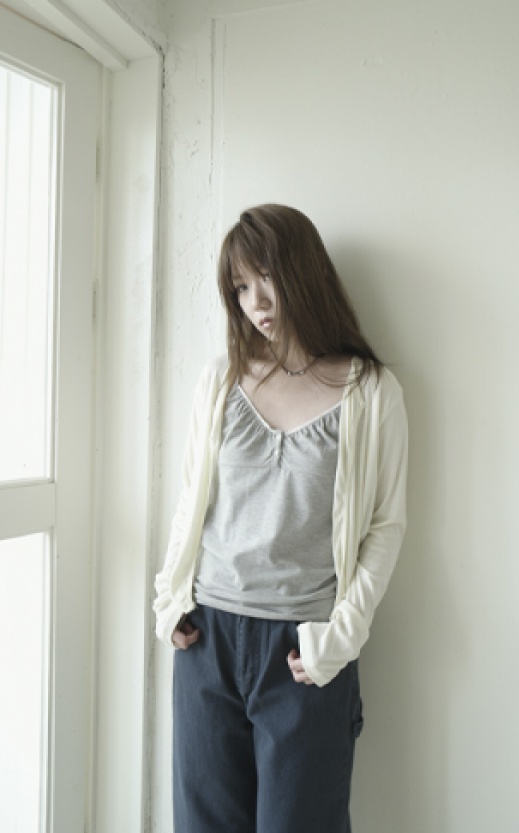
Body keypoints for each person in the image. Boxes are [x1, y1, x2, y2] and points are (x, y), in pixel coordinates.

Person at [154, 204, 408, 833]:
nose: (256, 302)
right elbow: (190, 500)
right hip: (207, 639)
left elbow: (384, 526)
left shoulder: (371, 392)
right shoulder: (220, 381)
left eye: (265, 277)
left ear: (304, 270)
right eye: (240, 287)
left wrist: (341, 637)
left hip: (303, 651)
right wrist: (169, 598)